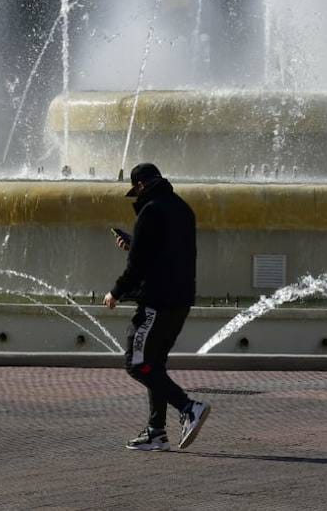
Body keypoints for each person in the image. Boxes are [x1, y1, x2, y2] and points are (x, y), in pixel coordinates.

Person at [103, 162, 211, 452]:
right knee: (155, 364)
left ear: (139, 186)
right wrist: (135, 242)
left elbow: (138, 265)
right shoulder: (182, 208)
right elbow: (166, 252)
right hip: (180, 299)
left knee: (137, 364)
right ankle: (156, 432)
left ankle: (189, 407)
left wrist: (116, 291)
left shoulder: (151, 210)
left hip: (157, 302)